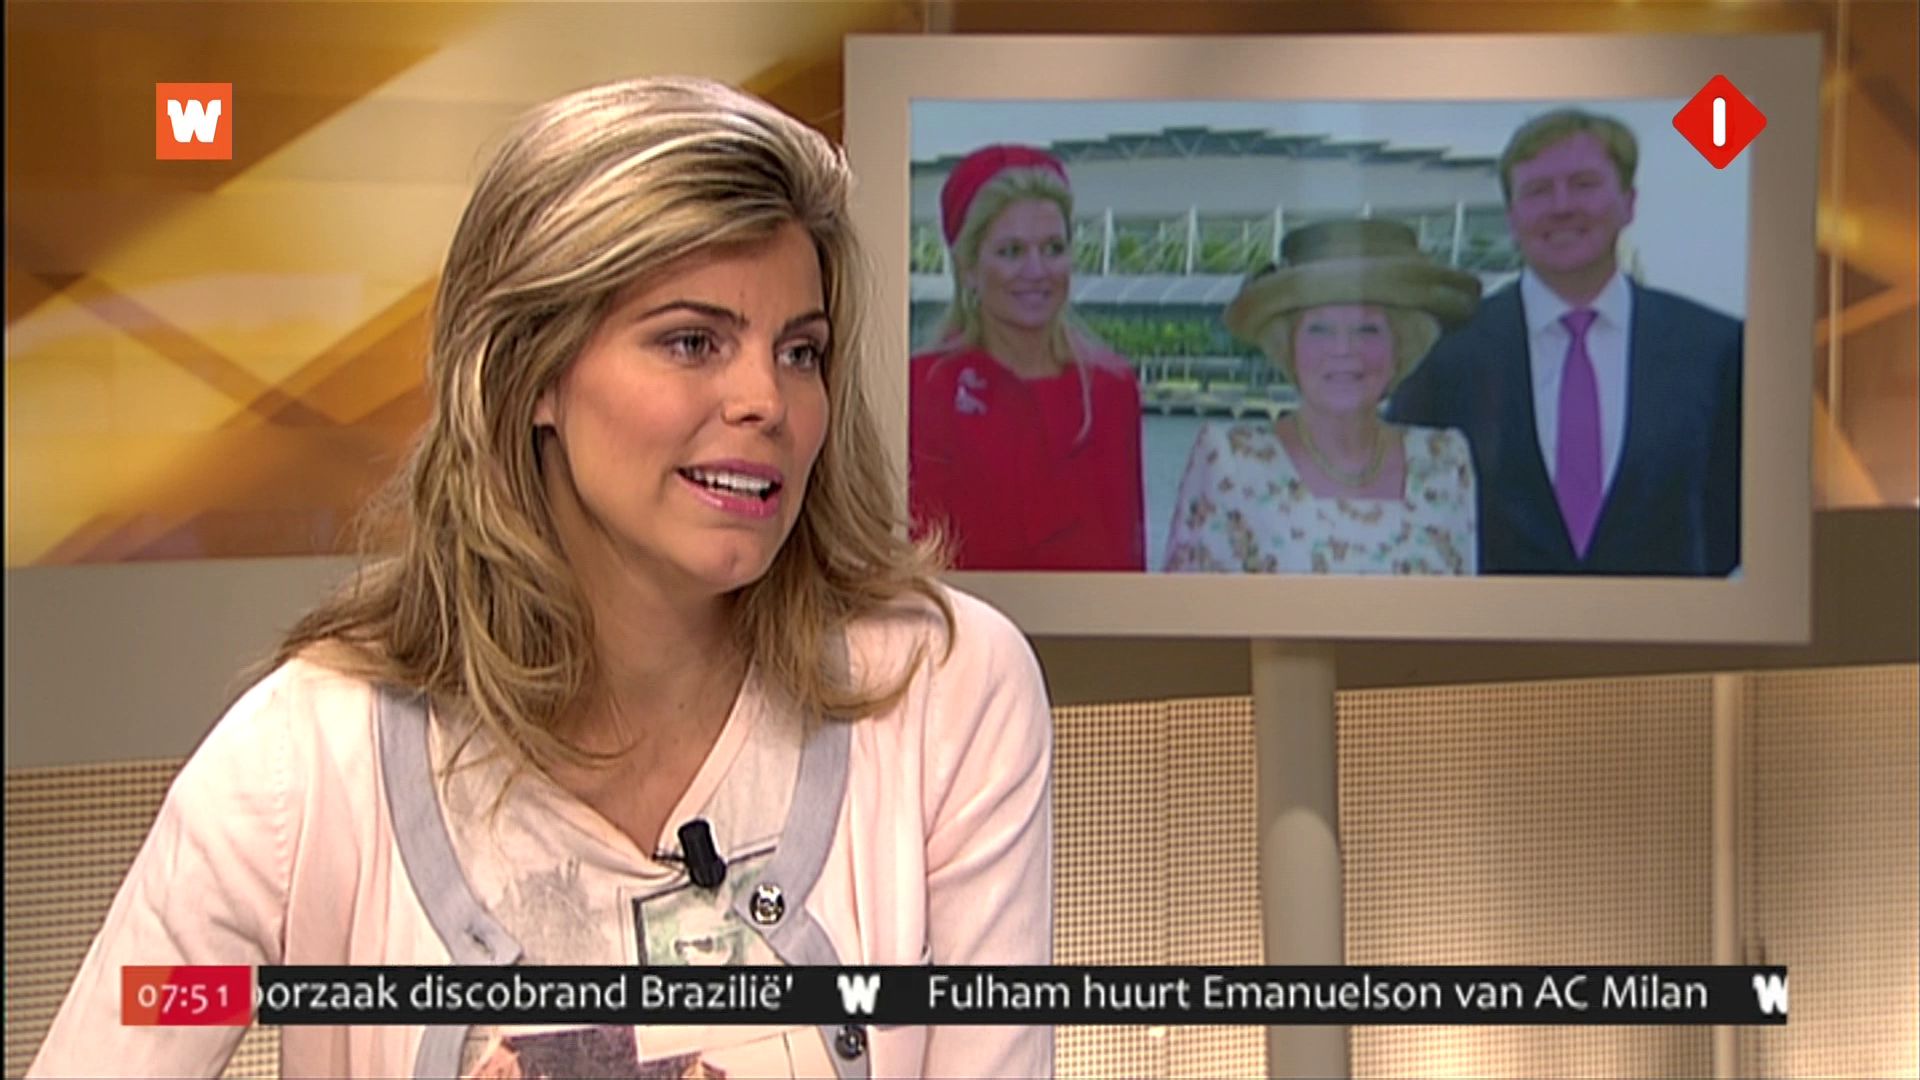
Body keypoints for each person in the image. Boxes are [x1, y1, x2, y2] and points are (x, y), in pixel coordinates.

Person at [29, 77, 1053, 1080]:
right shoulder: (308, 758)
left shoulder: (945, 696)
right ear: (533, 374)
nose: (766, 401)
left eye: (799, 352)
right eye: (692, 341)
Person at [1388, 108, 1742, 576]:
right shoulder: (1449, 355)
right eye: (1538, 191)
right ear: (1512, 217)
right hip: (1496, 622)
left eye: (1583, 184)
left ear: (1629, 202)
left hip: (1672, 621)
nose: (1561, 206)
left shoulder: (1716, 350)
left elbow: (1737, 514)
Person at [1163, 219, 1481, 575]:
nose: (1343, 349)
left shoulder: (1444, 463)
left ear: (1400, 347)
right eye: (1320, 329)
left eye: (1367, 329)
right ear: (1289, 347)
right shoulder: (1230, 461)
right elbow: (1187, 607)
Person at [908, 144, 1146, 571]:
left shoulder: (1112, 391)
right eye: (1011, 251)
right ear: (968, 268)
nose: (1037, 271)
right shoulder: (922, 390)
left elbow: (1128, 562)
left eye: (1053, 248)